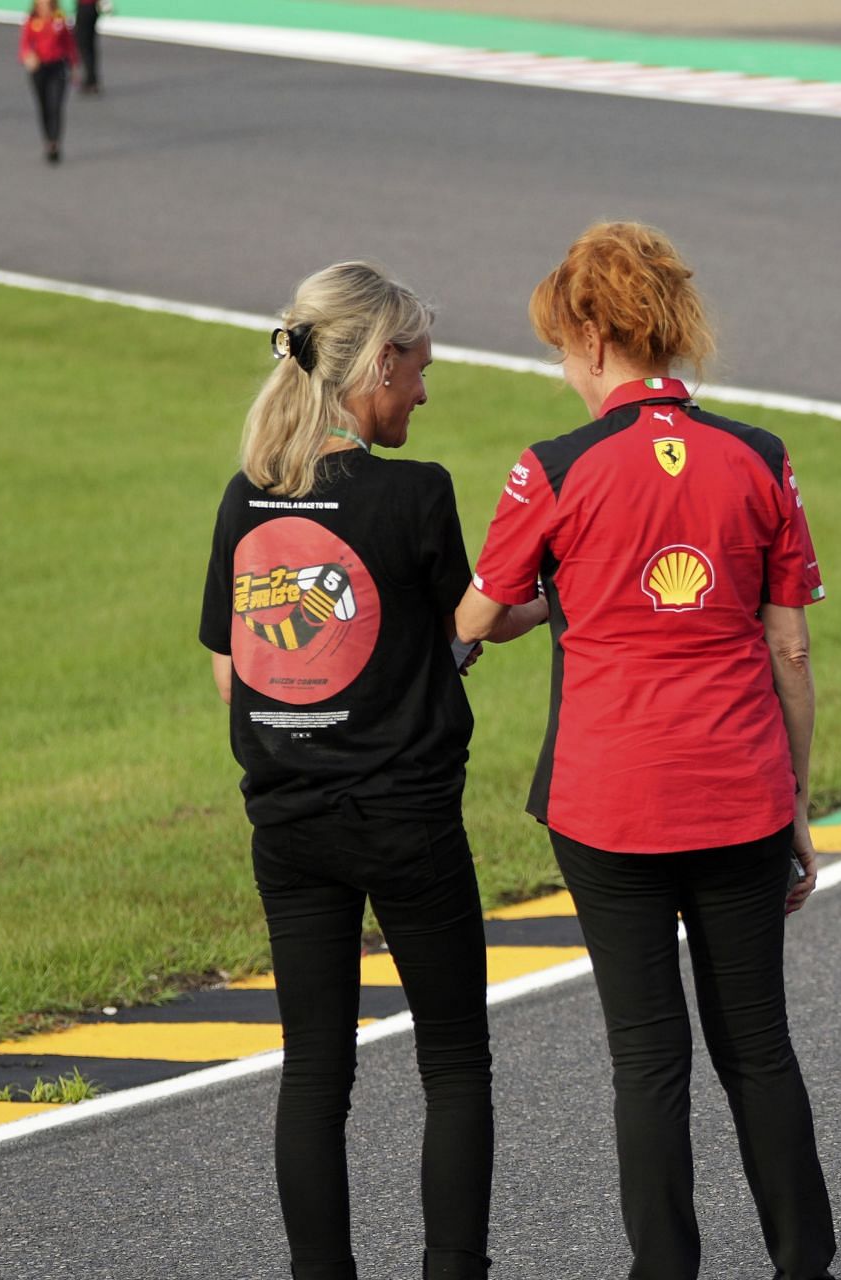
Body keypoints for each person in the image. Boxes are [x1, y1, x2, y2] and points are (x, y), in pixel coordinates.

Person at [456, 222, 836, 1280]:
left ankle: (664, 1270)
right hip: (743, 794)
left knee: (647, 1061)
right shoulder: (761, 455)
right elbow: (790, 646)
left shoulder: (553, 467)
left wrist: (552, 599)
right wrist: (797, 801)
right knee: (759, 1049)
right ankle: (805, 1262)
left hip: (609, 801)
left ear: (590, 335)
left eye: (560, 346)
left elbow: (482, 613)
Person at [200, 263, 527, 1280]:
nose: (424, 393)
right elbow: (467, 624)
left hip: (289, 822)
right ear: (378, 364)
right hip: (406, 817)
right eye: (419, 370)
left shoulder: (248, 496)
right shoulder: (415, 492)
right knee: (454, 1061)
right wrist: (557, 594)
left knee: (315, 1072)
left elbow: (231, 672)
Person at [17, 0, 76, 165]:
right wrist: (27, 57)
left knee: (55, 105)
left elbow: (69, 43)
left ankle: (55, 142)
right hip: (39, 68)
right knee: (43, 106)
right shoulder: (32, 21)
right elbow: (24, 45)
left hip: (57, 67)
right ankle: (47, 139)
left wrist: (74, 65)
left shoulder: (59, 19)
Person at [72, 0, 101, 95]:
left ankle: (90, 80)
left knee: (84, 46)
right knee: (90, 46)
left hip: (84, 8)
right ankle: (92, 79)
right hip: (92, 8)